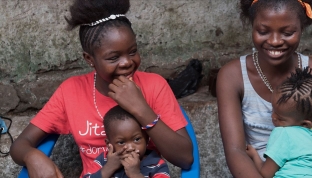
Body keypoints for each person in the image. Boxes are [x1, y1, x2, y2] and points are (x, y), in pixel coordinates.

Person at [10, 0, 193, 177]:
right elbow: (20, 145)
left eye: (132, 51)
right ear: (89, 59)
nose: (127, 62)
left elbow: (185, 159)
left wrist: (141, 109)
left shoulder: (154, 85)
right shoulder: (71, 91)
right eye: (113, 58)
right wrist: (32, 156)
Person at [216, 0, 312, 177]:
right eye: (263, 31)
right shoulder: (232, 76)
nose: (275, 41)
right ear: (252, 26)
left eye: (288, 32)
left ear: (302, 27)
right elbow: (235, 151)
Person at [246, 67, 312, 178]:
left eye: (280, 118)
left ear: (305, 124)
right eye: (273, 110)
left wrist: (254, 155)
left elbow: (265, 174)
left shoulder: (284, 134)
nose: (273, 117)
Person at [83, 105, 170, 178]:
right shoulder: (103, 160)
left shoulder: (156, 164)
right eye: (121, 142)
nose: (130, 148)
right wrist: (109, 167)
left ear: (147, 139)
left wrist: (135, 174)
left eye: (137, 139)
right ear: (109, 144)